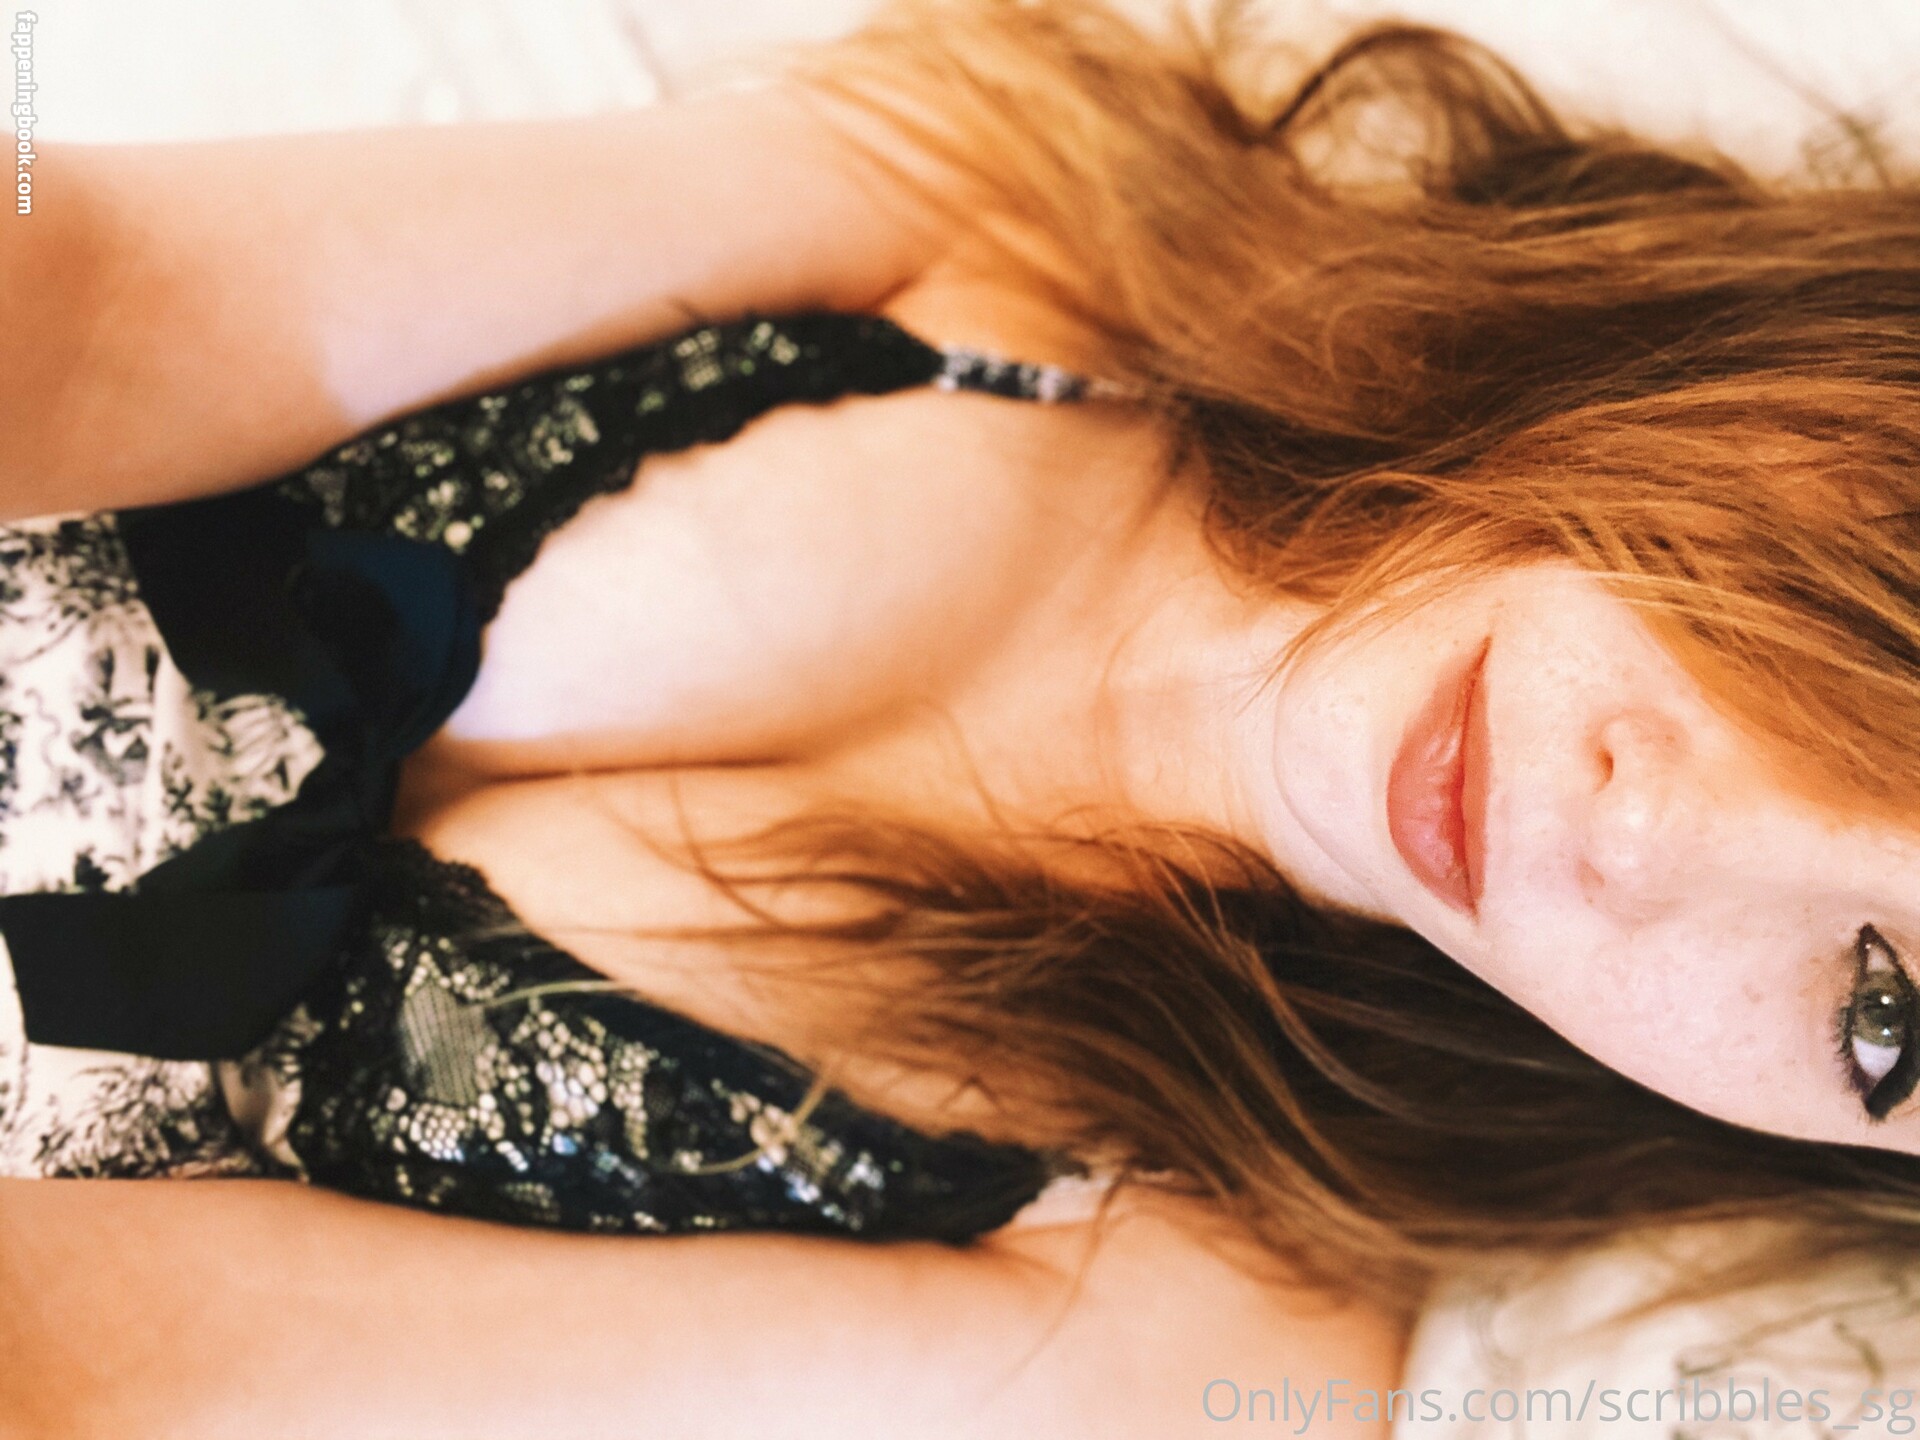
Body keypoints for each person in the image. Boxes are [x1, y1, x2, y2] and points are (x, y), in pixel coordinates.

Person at [3, 0, 1919, 1432]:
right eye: (1881, 635)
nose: (1643, 835)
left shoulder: (1180, 1324)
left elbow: (114, 1374)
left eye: (1888, 1019)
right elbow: (93, 285)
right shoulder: (1035, 211)